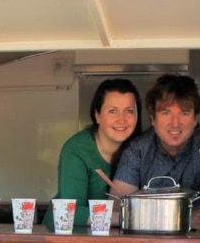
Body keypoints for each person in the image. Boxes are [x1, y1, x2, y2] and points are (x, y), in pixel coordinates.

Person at [111, 74, 200, 230]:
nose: (175, 123)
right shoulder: (137, 150)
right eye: (166, 113)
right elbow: (117, 210)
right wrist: (182, 218)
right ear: (153, 119)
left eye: (184, 113)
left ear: (195, 119)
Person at [43, 78, 142, 230]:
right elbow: (70, 211)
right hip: (67, 233)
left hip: (113, 235)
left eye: (129, 111)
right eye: (112, 111)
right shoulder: (77, 149)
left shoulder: (142, 147)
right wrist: (128, 218)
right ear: (97, 115)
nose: (121, 119)